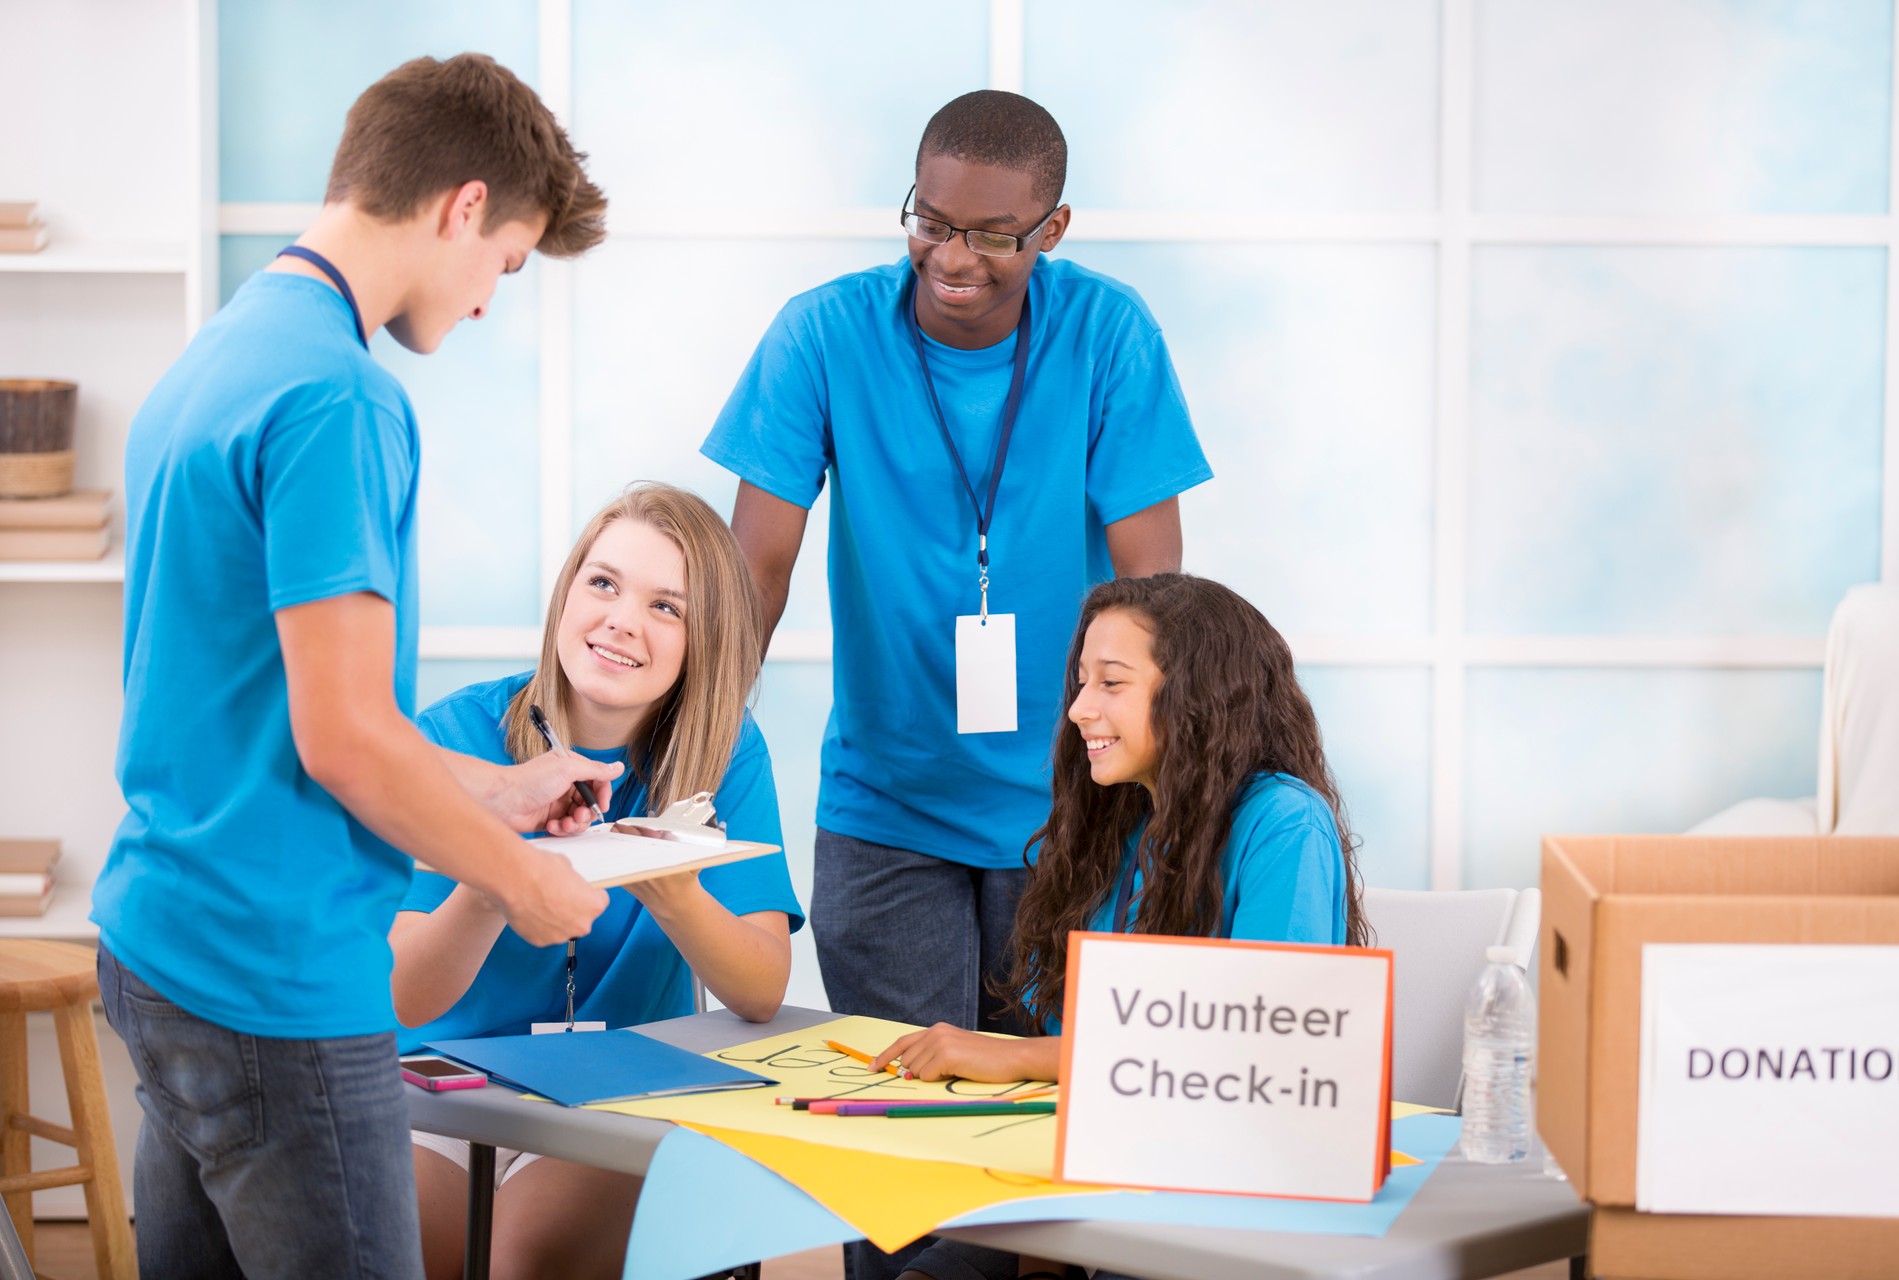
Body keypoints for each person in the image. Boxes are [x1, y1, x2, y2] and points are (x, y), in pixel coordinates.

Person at [91, 54, 613, 1279]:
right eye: (509, 262)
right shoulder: (339, 395)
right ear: (464, 205)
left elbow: (266, 705)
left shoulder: (221, 352)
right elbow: (344, 740)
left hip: (162, 940)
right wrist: (524, 884)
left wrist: (494, 789)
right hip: (278, 981)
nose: (492, 298)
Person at [703, 79, 1208, 1224]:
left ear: (1053, 231)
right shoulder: (824, 334)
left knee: (1051, 1154)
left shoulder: (1107, 332)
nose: (954, 256)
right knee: (902, 1164)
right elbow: (755, 574)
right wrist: (699, 758)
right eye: (931, 221)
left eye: (992, 234)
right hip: (887, 810)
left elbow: (1155, 601)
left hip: (1071, 810)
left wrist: (1165, 802)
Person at [881, 574, 1373, 1280]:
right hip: (1099, 1172)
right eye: (1081, 682)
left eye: (1112, 683)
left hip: (1220, 1191)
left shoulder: (1285, 822)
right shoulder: (1117, 825)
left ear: (1200, 694)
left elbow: (1252, 1055)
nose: (1080, 708)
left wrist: (1012, 1056)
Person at [390, 483, 804, 1280]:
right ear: (567, 593)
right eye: (604, 583)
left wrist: (672, 884)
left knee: (526, 1258)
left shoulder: (727, 755)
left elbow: (760, 988)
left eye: (666, 607)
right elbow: (402, 994)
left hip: (616, 1091)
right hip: (443, 1087)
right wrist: (494, 879)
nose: (621, 619)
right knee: (415, 1253)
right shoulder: (454, 736)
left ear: (701, 640)